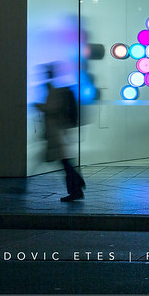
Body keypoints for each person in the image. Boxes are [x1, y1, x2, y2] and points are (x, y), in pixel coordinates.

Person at [35, 64, 85, 202]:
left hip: (56, 134)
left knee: (65, 163)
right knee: (65, 163)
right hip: (58, 133)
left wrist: (37, 105)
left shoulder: (53, 90)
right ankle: (78, 186)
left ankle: (76, 188)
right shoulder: (55, 89)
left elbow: (51, 108)